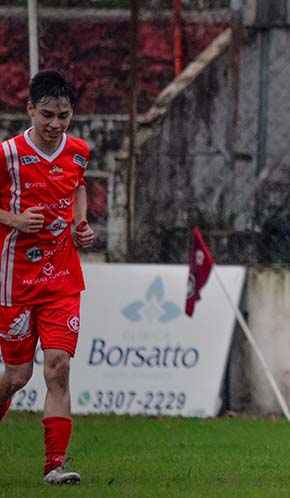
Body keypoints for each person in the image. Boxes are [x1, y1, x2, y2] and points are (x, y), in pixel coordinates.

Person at [0, 70, 95, 485]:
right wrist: (13, 219)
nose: (56, 124)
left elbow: (78, 186)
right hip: (15, 280)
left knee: (57, 368)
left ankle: (54, 466)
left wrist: (81, 223)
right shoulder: (7, 154)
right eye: (47, 115)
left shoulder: (78, 151)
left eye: (64, 115)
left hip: (62, 280)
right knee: (17, 377)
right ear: (29, 110)